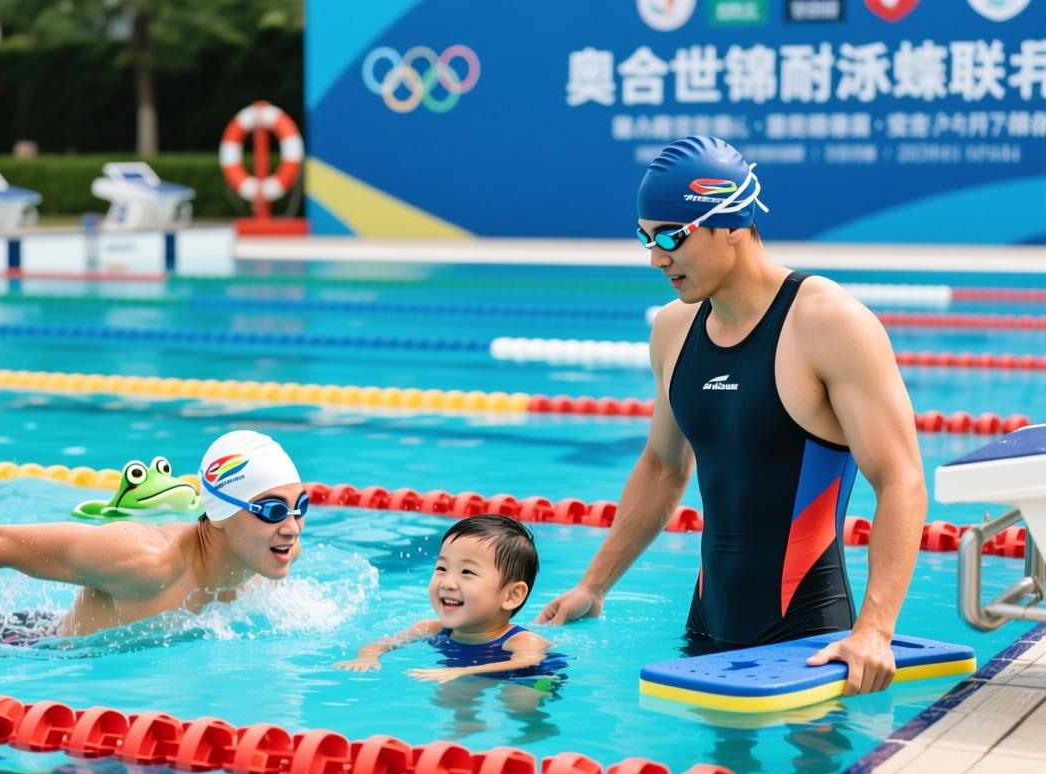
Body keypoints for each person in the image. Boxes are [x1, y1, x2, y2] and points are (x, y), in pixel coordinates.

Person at [535, 135, 927, 696]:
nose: (656, 258)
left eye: (671, 236)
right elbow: (663, 468)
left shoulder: (827, 322)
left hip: (812, 637)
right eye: (645, 237)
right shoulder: (673, 329)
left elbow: (900, 478)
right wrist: (593, 586)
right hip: (705, 626)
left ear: (732, 223)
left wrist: (874, 631)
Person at [0, 429, 307, 642]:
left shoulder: (266, 559)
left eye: (299, 506)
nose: (291, 527)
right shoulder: (145, 560)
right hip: (20, 644)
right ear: (220, 513)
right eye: (272, 510)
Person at [335, 514, 563, 685]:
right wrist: (367, 657)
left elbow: (526, 662)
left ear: (511, 596)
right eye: (442, 568)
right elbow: (382, 643)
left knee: (518, 699)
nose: (447, 583)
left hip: (535, 679)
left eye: (467, 572)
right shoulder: (429, 628)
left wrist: (462, 671)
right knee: (450, 693)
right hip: (464, 673)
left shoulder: (522, 641)